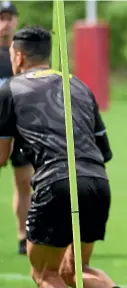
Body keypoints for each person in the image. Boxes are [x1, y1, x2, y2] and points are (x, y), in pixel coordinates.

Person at [0, 26, 119, 288]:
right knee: (75, 271)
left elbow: (1, 157)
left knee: (44, 273)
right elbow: (104, 150)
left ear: (18, 57)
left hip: (56, 184)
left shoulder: (11, 89)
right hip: (97, 183)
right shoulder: (78, 84)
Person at [0, 1, 31, 255]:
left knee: (24, 182)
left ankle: (23, 235)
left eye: (9, 17)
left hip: (20, 129)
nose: (5, 23)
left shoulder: (23, 54)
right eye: (0, 17)